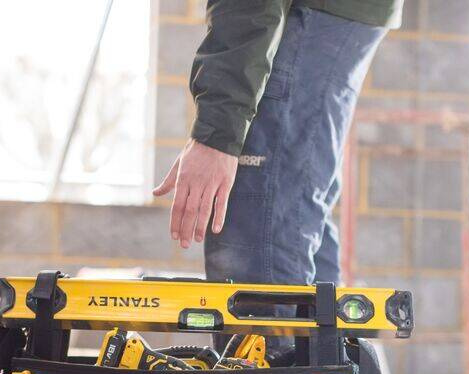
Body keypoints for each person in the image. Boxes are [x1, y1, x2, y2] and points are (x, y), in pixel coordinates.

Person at [153, 0, 402, 295]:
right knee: (290, 216)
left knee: (259, 239)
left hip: (308, 15)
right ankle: (305, 327)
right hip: (327, 17)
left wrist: (217, 135)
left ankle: (275, 328)